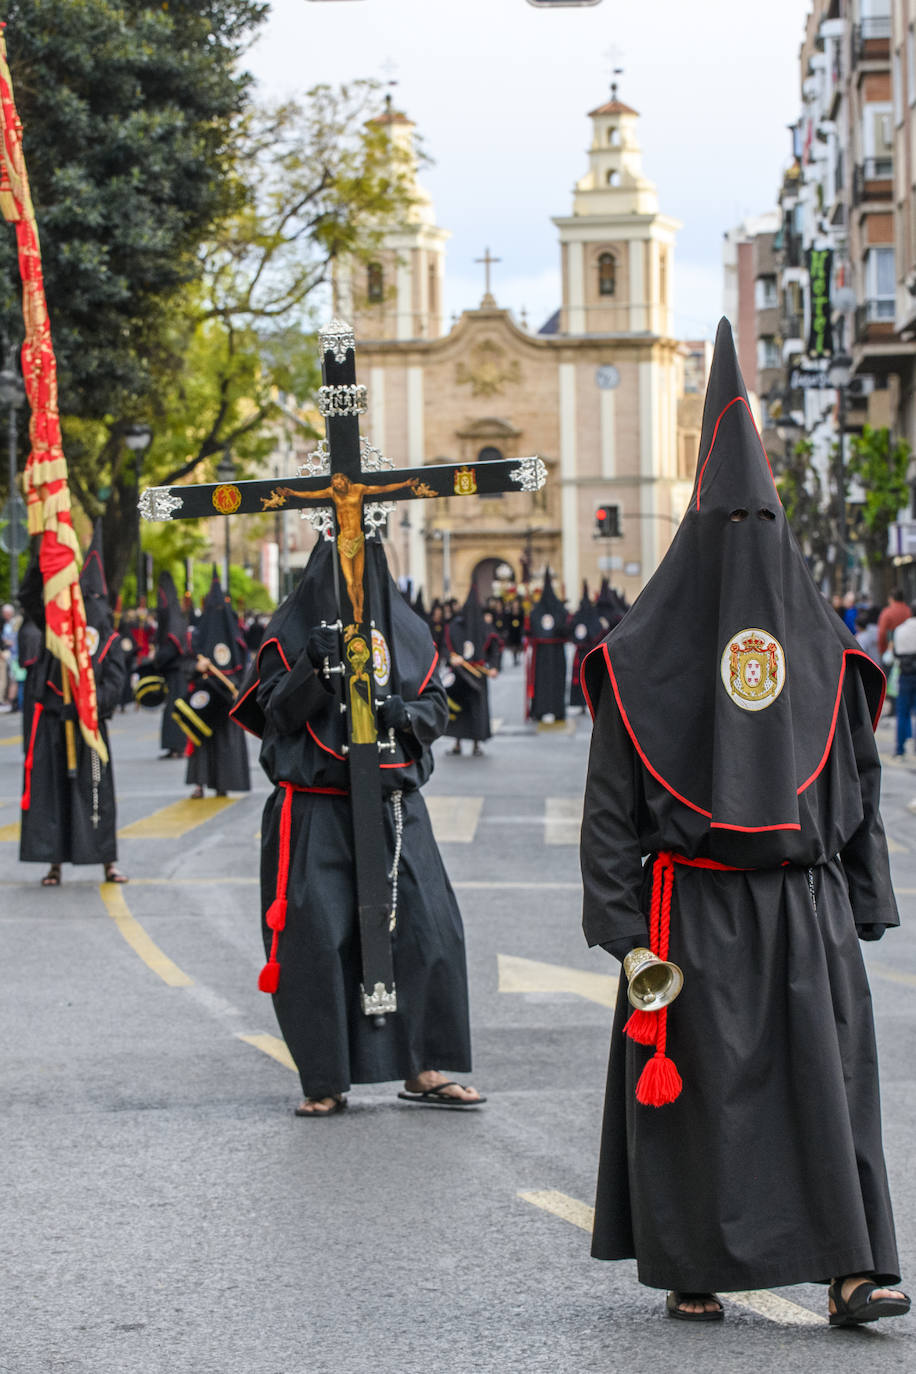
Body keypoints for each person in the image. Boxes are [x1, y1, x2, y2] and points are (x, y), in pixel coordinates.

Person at [580, 319, 908, 1327]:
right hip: (691, 912)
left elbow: (856, 792)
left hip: (800, 908)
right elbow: (609, 817)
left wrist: (860, 901)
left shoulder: (832, 662)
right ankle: (696, 1259)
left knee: (823, 1095)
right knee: (707, 1096)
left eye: (755, 527)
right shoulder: (634, 667)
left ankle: (851, 1269)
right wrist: (627, 934)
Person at [230, 535, 482, 1116]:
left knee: (428, 931)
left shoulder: (408, 630)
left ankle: (423, 1066)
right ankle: (325, 1078)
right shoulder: (290, 630)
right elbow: (276, 715)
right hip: (316, 805)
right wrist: (312, 669)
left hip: (394, 804)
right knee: (316, 938)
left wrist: (408, 715)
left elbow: (437, 707)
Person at [19, 528, 128, 886]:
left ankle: (107, 862)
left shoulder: (109, 638)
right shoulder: (57, 626)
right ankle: (54, 862)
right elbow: (29, 597)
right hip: (54, 722)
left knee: (97, 794)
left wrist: (91, 704)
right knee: (52, 794)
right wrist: (44, 556)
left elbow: (115, 681)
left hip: (90, 728)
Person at [184, 571, 251, 799]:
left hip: (227, 698)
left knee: (224, 743)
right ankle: (200, 784)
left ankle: (223, 783)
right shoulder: (199, 637)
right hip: (205, 696)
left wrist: (237, 688)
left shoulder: (236, 638)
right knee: (201, 743)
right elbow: (185, 665)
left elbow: (244, 667)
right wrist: (197, 667)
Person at [444, 585, 497, 757]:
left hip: (478, 676)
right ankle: (457, 743)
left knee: (477, 711)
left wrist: (494, 666)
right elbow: (444, 646)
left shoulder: (484, 628)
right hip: (460, 675)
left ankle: (476, 744)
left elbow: (494, 648)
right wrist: (452, 657)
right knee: (459, 710)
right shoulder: (455, 626)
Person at [145, 571, 190, 759]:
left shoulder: (174, 620)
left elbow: (173, 646)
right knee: (171, 710)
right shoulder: (173, 617)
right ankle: (173, 746)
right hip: (172, 673)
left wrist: (156, 659)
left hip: (179, 672)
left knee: (175, 710)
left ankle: (178, 746)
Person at [525, 566, 568, 723]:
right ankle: (557, 711)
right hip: (554, 652)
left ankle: (540, 710)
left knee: (542, 681)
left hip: (542, 653)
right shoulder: (560, 610)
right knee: (555, 681)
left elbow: (529, 631)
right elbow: (565, 629)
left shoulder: (536, 611)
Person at [568, 582, 602, 712]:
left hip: (584, 651)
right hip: (589, 651)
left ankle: (584, 703)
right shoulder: (591, 616)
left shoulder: (579, 615)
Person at [892, 603, 916, 759]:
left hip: (905, 672)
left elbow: (896, 652)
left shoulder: (900, 630)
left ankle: (900, 749)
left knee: (902, 712)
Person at [877, 587, 910, 658]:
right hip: (908, 651)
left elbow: (882, 633)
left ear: (891, 599)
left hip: (891, 651)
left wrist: (882, 651)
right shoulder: (909, 611)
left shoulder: (887, 612)